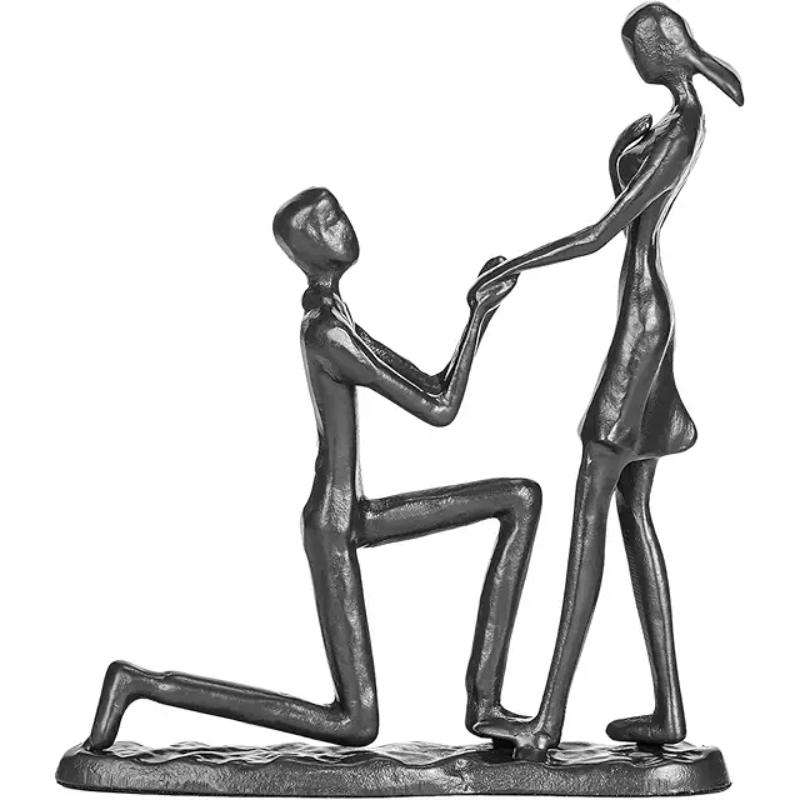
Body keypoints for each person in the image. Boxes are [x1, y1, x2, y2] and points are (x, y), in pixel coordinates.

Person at [84, 186, 541, 751]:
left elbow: (434, 386)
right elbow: (440, 409)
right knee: (355, 724)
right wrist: (480, 317)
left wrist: (477, 315)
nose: (341, 224)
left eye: (338, 212)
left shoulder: (337, 317)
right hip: (334, 522)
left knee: (519, 498)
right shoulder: (326, 331)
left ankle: (486, 705)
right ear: (306, 247)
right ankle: (141, 684)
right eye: (326, 220)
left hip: (353, 511)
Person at [470, 3, 744, 756]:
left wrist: (516, 265)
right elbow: (631, 213)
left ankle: (547, 721)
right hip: (646, 313)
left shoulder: (683, 127)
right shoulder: (674, 121)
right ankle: (669, 712)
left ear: (661, 51)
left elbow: (601, 234)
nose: (635, 62)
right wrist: (621, 164)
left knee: (591, 506)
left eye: (638, 50)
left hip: (642, 325)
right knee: (632, 512)